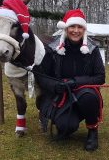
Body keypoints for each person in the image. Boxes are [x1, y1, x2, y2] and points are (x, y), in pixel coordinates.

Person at [35, 9, 105, 151]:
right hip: (61, 94)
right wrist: (55, 85)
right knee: (66, 127)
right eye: (72, 27)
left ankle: (92, 131)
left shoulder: (93, 49)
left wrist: (75, 81)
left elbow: (100, 77)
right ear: (66, 28)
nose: (76, 31)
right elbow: (40, 75)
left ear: (84, 29)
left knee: (89, 98)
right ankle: (63, 120)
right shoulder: (52, 49)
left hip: (83, 92)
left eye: (79, 27)